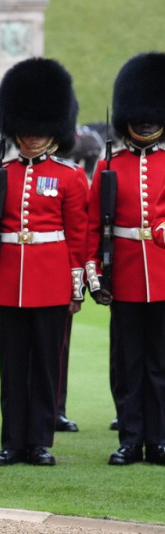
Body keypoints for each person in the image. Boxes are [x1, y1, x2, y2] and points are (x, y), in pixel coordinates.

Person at [0, 57, 88, 467]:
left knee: (44, 366)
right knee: (12, 366)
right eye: (27, 128)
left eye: (40, 129)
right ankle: (12, 442)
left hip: (51, 281)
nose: (34, 136)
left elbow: (78, 236)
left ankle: (39, 441)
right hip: (7, 281)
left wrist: (76, 287)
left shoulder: (70, 177)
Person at [87, 52, 165, 466]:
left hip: (163, 274)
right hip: (125, 276)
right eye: (140, 118)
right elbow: (91, 226)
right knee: (128, 364)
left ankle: (160, 439)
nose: (146, 124)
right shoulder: (109, 165)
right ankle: (131, 439)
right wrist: (95, 275)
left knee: (160, 364)